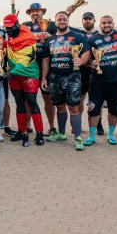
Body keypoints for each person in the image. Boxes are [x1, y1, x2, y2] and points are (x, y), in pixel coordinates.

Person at [41, 12, 90, 150]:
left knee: (73, 108)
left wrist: (81, 60)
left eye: (64, 19)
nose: (62, 21)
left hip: (72, 76)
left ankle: (78, 138)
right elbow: (46, 60)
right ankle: (61, 134)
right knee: (60, 106)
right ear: (55, 22)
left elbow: (86, 52)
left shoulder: (78, 36)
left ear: (68, 21)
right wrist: (43, 78)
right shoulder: (50, 40)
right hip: (55, 77)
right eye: (59, 20)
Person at [84, 16, 117, 146]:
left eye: (109, 22)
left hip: (116, 80)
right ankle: (91, 136)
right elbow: (85, 59)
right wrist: (91, 63)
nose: (106, 25)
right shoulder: (92, 40)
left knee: (115, 110)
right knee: (93, 109)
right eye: (104, 23)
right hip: (97, 81)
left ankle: (111, 135)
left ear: (113, 23)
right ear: (99, 24)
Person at [3, 13, 44, 147]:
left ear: (17, 24)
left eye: (10, 27)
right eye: (6, 27)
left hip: (29, 73)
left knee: (32, 101)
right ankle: (22, 131)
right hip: (14, 75)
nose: (8, 30)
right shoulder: (9, 37)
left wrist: (11, 73)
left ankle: (39, 133)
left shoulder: (28, 38)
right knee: (19, 103)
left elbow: (25, 59)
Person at [23, 3, 57, 136]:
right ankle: (27, 125)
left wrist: (51, 36)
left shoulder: (51, 25)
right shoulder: (24, 26)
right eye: (32, 11)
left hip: (47, 67)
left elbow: (62, 36)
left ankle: (52, 127)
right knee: (28, 98)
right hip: (29, 67)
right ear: (29, 13)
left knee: (48, 98)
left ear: (42, 12)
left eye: (38, 11)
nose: (35, 13)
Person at [70, 12, 104, 135]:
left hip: (97, 70)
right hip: (82, 71)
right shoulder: (78, 34)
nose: (87, 21)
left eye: (90, 19)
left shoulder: (100, 34)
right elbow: (61, 25)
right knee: (80, 99)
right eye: (85, 19)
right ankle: (77, 123)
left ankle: (99, 123)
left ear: (94, 20)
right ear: (82, 21)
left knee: (97, 100)